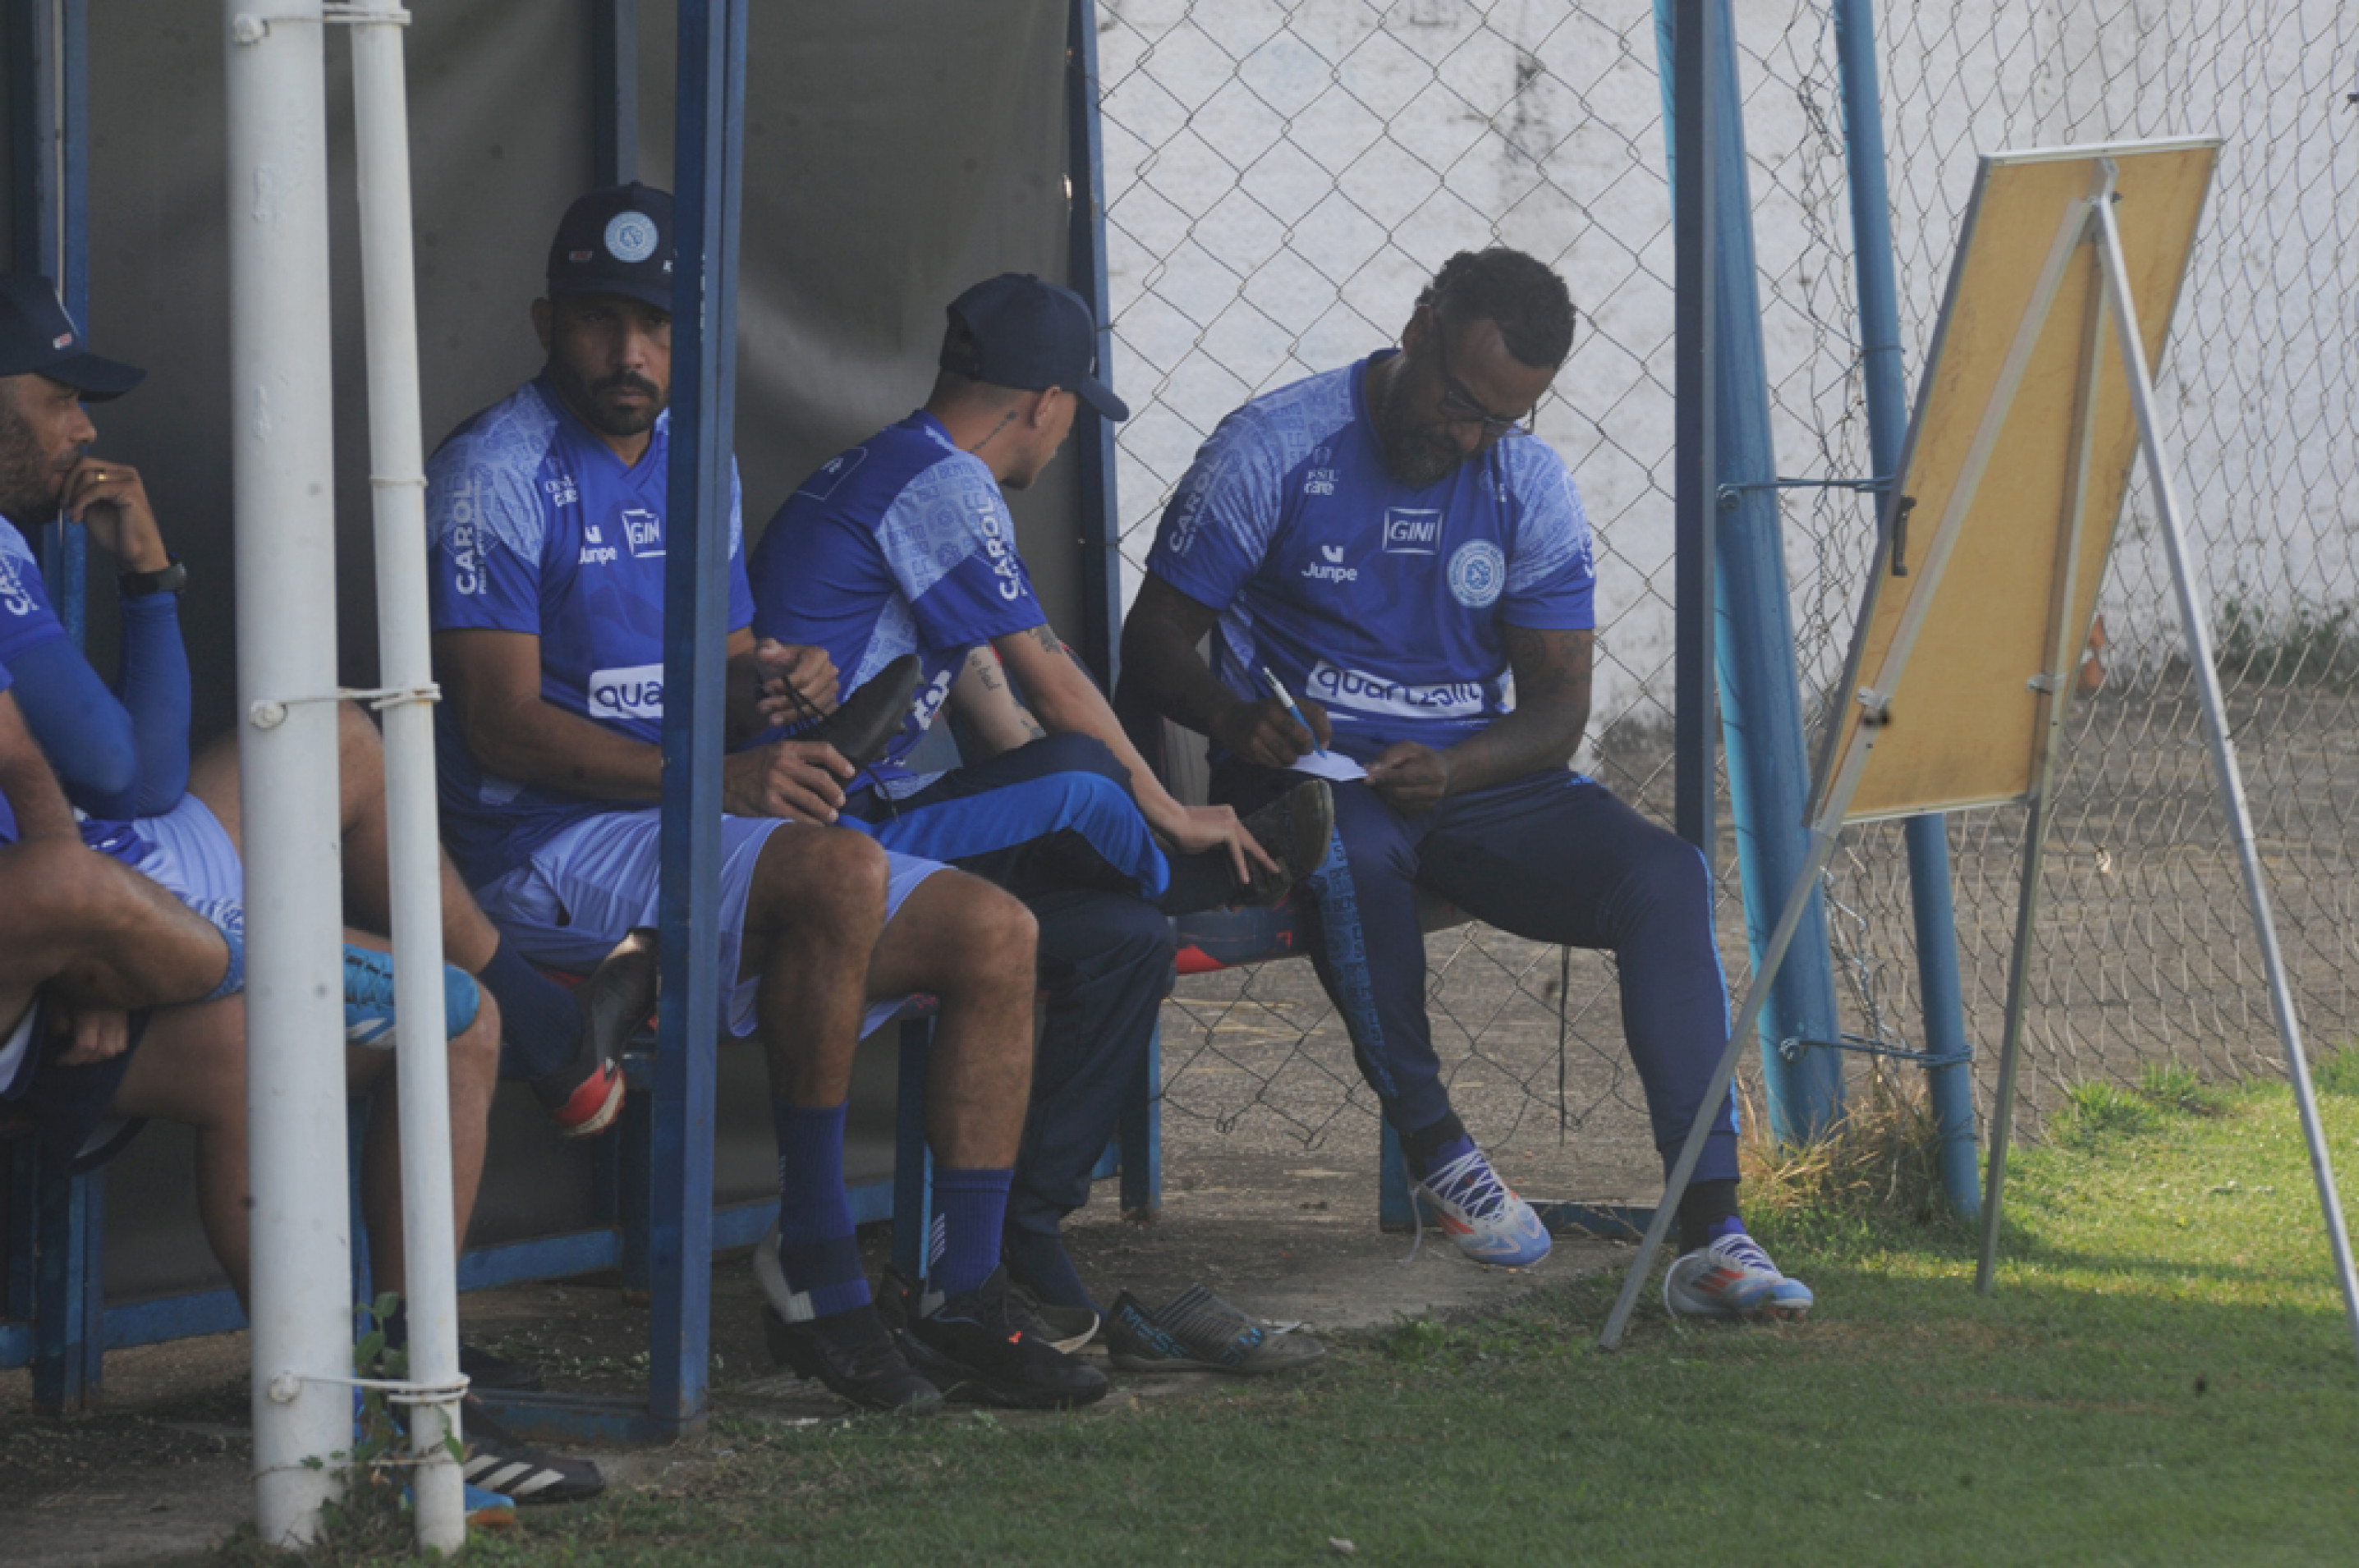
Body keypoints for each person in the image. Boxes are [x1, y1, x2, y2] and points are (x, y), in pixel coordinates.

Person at [426, 184, 1102, 1411]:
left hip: (679, 822)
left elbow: (728, 663)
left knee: (997, 935)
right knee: (834, 864)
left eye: (656, 324)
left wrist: (776, 678)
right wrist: (712, 776)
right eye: (599, 319)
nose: (630, 353)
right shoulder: (494, 471)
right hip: (536, 845)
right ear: (544, 322)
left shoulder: (698, 461)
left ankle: (961, 1293)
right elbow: (498, 723)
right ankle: (818, 1258)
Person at [1122, 247, 1812, 1318]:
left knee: (1664, 876)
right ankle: (1438, 1147)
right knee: (1346, 849)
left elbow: (1558, 711)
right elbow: (1151, 643)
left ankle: (1711, 1234)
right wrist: (1233, 717)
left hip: (1463, 775)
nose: (1467, 439)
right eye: (1457, 404)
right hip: (1307, 774)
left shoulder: (1526, 483)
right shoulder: (1274, 447)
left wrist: (1455, 765)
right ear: (1418, 327)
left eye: (1500, 419)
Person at [748, 273, 1331, 1325]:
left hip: (872, 826)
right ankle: (1192, 875)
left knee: (1121, 940)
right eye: (1073, 415)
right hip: (813, 841)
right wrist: (1173, 812)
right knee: (1082, 775)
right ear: (1046, 402)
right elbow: (1053, 682)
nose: (1064, 438)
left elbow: (998, 718)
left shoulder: (904, 468)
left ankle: (1023, 1223)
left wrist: (1066, 790)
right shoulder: (942, 481)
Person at [0, 273, 649, 1144]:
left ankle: (537, 1023)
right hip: (46, 923)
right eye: (60, 399)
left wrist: (150, 573)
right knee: (445, 1016)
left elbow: (114, 782)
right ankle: (512, 1017)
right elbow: (127, 776)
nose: (84, 429)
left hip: (83, 877)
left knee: (340, 741)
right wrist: (148, 581)